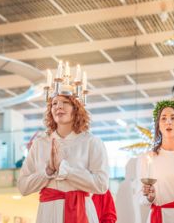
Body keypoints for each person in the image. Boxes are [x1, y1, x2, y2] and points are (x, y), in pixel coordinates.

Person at [17, 69, 109, 223]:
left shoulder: (92, 142)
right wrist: (48, 171)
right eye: (54, 103)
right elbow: (23, 186)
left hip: (82, 211)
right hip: (48, 213)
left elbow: (101, 185)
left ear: (77, 108)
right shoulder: (40, 144)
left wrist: (65, 169)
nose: (58, 106)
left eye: (65, 102)